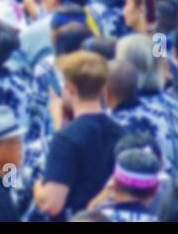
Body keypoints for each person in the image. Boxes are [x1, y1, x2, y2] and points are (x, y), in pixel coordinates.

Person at [33, 51, 122, 220]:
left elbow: (51, 204)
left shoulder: (65, 139)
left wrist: (37, 188)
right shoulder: (119, 131)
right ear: (103, 89)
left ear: (70, 88)